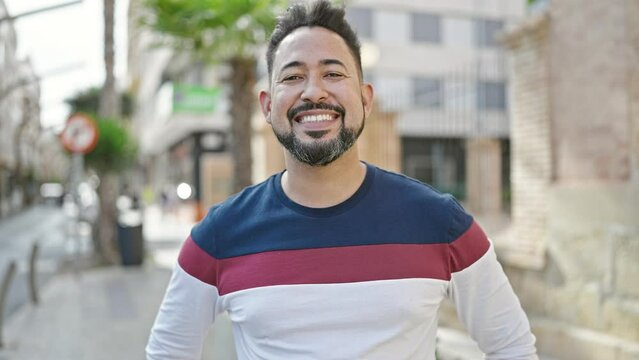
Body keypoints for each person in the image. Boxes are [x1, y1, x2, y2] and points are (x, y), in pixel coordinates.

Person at [146, 1, 538, 359]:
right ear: (267, 106)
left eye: (333, 73)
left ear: (365, 99)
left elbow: (512, 346)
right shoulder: (220, 233)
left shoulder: (441, 222)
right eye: (293, 76)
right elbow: (168, 352)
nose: (314, 92)